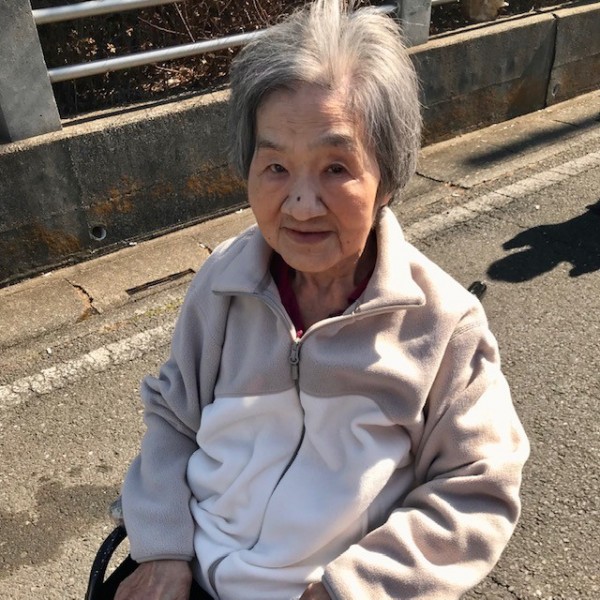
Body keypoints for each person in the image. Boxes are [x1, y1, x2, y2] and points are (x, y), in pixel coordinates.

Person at [114, 1, 529, 598]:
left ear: (387, 177)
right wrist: (162, 549)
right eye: (275, 167)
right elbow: (174, 419)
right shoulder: (223, 283)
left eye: (336, 167)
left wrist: (347, 590)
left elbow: (478, 487)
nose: (302, 204)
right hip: (191, 573)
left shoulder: (444, 324)